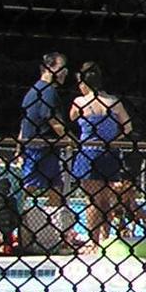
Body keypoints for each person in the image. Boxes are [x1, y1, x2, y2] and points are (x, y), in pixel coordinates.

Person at [69, 61, 133, 246]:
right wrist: (114, 137)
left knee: (91, 200)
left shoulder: (80, 102)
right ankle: (105, 239)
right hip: (109, 151)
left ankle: (93, 240)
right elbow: (128, 127)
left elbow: (72, 117)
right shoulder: (113, 102)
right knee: (105, 199)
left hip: (88, 151)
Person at [17, 52, 71, 212]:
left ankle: (51, 225)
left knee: (55, 188)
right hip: (40, 149)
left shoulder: (34, 91)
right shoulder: (47, 91)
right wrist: (70, 140)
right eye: (61, 68)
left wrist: (19, 147)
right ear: (48, 69)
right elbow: (54, 122)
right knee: (30, 186)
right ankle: (13, 216)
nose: (65, 73)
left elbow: (23, 124)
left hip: (43, 149)